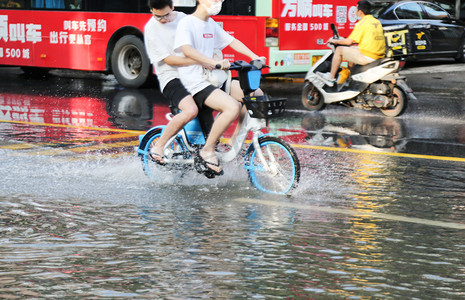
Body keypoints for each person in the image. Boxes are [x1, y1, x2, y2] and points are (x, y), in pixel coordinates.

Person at [174, 0, 265, 175]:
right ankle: (207, 150)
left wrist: (255, 57)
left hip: (215, 79)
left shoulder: (211, 23)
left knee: (256, 94)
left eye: (220, 0)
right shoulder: (187, 22)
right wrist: (211, 61)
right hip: (195, 83)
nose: (219, 2)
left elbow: (232, 41)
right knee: (232, 107)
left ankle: (233, 141)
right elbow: (186, 50)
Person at [144, 0, 212, 165]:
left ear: (173, 7)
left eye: (166, 15)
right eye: (157, 16)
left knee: (217, 100)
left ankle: (210, 148)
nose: (162, 20)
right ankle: (158, 147)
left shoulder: (184, 19)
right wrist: (198, 61)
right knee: (190, 111)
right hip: (171, 78)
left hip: (193, 75)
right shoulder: (151, 28)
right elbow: (169, 60)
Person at [319, 0, 386, 87]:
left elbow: (348, 41)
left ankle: (331, 78)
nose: (355, 12)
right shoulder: (376, 22)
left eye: (356, 9)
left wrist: (334, 41)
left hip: (368, 55)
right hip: (378, 54)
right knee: (351, 49)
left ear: (360, 11)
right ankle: (350, 78)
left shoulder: (362, 23)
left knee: (339, 50)